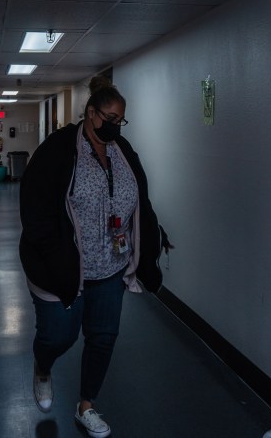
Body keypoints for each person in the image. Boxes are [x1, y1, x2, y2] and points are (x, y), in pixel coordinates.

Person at [19, 75, 170, 438]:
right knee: (58, 336)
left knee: (103, 338)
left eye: (121, 120)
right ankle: (43, 366)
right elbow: (36, 209)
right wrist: (52, 254)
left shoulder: (122, 151)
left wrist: (150, 240)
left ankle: (86, 405)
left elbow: (141, 199)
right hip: (63, 268)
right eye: (110, 118)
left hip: (110, 268)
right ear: (91, 113)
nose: (115, 126)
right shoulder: (58, 149)